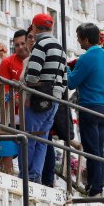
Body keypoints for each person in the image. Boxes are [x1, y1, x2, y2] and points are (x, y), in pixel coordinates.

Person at [67, 22, 104, 197]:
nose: (78, 42)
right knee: (98, 148)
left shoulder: (86, 58)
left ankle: (95, 188)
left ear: (86, 39)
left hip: (88, 107)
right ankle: (97, 186)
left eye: (79, 38)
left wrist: (64, 68)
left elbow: (71, 82)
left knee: (90, 149)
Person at [23, 13, 67, 184]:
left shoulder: (40, 45)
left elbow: (33, 74)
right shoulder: (59, 47)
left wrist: (27, 84)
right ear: (51, 28)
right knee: (43, 138)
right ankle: (36, 174)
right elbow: (64, 79)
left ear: (34, 27)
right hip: (55, 97)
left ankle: (27, 174)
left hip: (39, 96)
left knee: (30, 136)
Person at [0, 30, 30, 174]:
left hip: (30, 114)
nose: (21, 47)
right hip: (10, 114)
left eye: (23, 43)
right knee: (5, 143)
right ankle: (6, 173)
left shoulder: (36, 60)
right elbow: (3, 88)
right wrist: (17, 100)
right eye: (17, 45)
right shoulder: (7, 62)